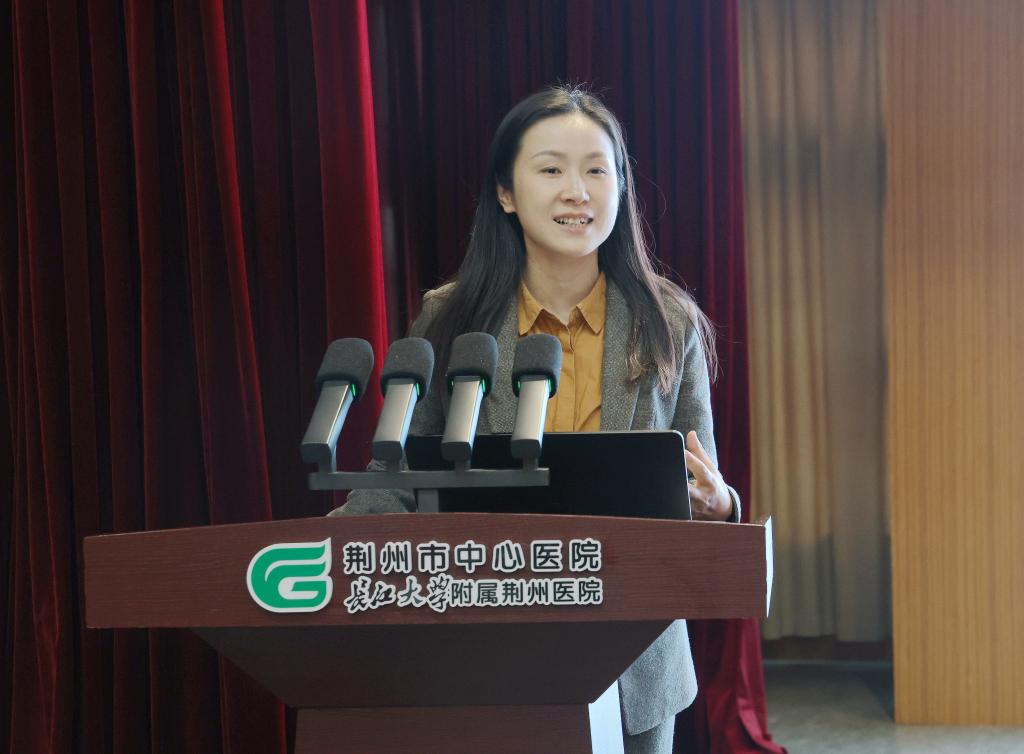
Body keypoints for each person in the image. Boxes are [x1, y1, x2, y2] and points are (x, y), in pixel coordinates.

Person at [330, 84, 741, 754]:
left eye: (597, 170)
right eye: (551, 169)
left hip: (634, 652)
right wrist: (332, 545)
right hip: (490, 638)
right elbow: (401, 470)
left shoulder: (669, 322)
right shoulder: (451, 317)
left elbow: (702, 480)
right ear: (506, 192)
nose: (577, 191)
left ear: (621, 187)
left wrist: (719, 505)